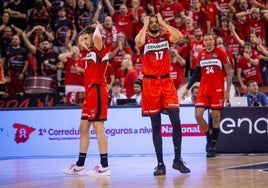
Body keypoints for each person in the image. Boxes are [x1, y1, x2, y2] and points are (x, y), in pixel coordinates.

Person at [135, 13, 190, 176]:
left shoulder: (165, 36)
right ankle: (160, 164)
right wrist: (144, 25)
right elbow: (138, 41)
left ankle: (177, 160)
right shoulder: (144, 39)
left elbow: (179, 36)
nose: (153, 24)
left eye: (154, 22)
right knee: (156, 126)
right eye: (151, 22)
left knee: (176, 120)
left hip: (166, 82)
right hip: (150, 84)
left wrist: (163, 23)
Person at [62, 23, 111, 176]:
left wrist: (97, 27)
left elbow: (96, 36)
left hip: (97, 90)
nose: (82, 41)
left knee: (98, 129)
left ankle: (104, 167)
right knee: (83, 129)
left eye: (85, 37)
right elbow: (81, 41)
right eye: (82, 38)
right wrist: (83, 38)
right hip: (88, 93)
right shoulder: (89, 53)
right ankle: (80, 165)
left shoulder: (100, 49)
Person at [181, 33, 232, 158]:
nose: (208, 42)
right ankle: (209, 136)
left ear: (213, 41)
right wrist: (187, 88)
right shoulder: (201, 54)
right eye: (206, 40)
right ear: (203, 42)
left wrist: (227, 91)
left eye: (210, 40)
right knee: (198, 115)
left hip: (217, 90)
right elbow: (197, 73)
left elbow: (229, 73)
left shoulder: (221, 53)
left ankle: (211, 146)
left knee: (216, 116)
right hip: (203, 89)